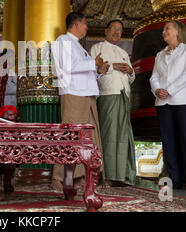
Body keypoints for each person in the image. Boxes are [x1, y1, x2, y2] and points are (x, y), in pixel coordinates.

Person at [51, 12, 109, 192]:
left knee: (89, 139)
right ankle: (59, 179)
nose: (87, 27)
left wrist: (98, 69)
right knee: (72, 137)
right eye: (85, 24)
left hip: (87, 95)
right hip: (73, 94)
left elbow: (85, 71)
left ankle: (83, 178)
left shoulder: (78, 47)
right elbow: (68, 67)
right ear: (76, 24)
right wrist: (93, 63)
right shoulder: (63, 41)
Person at [149, 20, 186, 193]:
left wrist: (169, 90)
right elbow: (153, 77)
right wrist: (157, 90)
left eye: (168, 28)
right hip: (163, 102)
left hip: (185, 101)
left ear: (178, 32)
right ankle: (174, 180)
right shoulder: (160, 54)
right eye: (164, 29)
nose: (164, 31)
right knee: (169, 142)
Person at [90, 19, 136, 186]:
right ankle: (106, 175)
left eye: (120, 31)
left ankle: (122, 176)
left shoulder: (123, 52)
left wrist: (130, 70)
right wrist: (113, 66)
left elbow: (131, 77)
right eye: (114, 29)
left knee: (123, 135)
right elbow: (95, 70)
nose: (117, 33)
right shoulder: (97, 48)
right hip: (108, 94)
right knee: (108, 134)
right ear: (106, 31)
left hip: (123, 94)